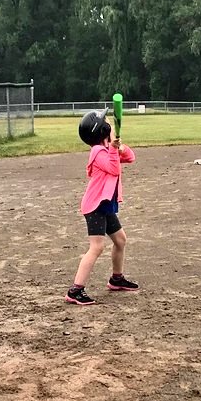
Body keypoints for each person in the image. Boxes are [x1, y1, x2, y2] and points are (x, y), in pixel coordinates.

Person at [66, 108, 139, 305]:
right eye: (106, 122)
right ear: (102, 130)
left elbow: (130, 157)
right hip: (95, 206)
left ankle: (116, 279)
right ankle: (75, 290)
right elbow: (114, 169)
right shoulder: (98, 152)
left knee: (120, 240)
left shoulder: (107, 149)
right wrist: (114, 149)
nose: (109, 124)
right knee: (97, 247)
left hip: (105, 205)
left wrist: (118, 146)